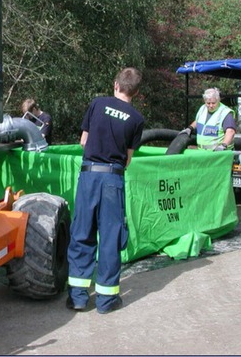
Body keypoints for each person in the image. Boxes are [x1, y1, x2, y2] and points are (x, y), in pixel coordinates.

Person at [67, 67, 146, 315]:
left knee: (82, 233)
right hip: (113, 180)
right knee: (111, 238)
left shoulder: (97, 104)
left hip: (89, 176)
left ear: (116, 85)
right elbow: (128, 160)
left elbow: (83, 141)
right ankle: (106, 300)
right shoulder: (136, 119)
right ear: (136, 91)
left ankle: (78, 297)